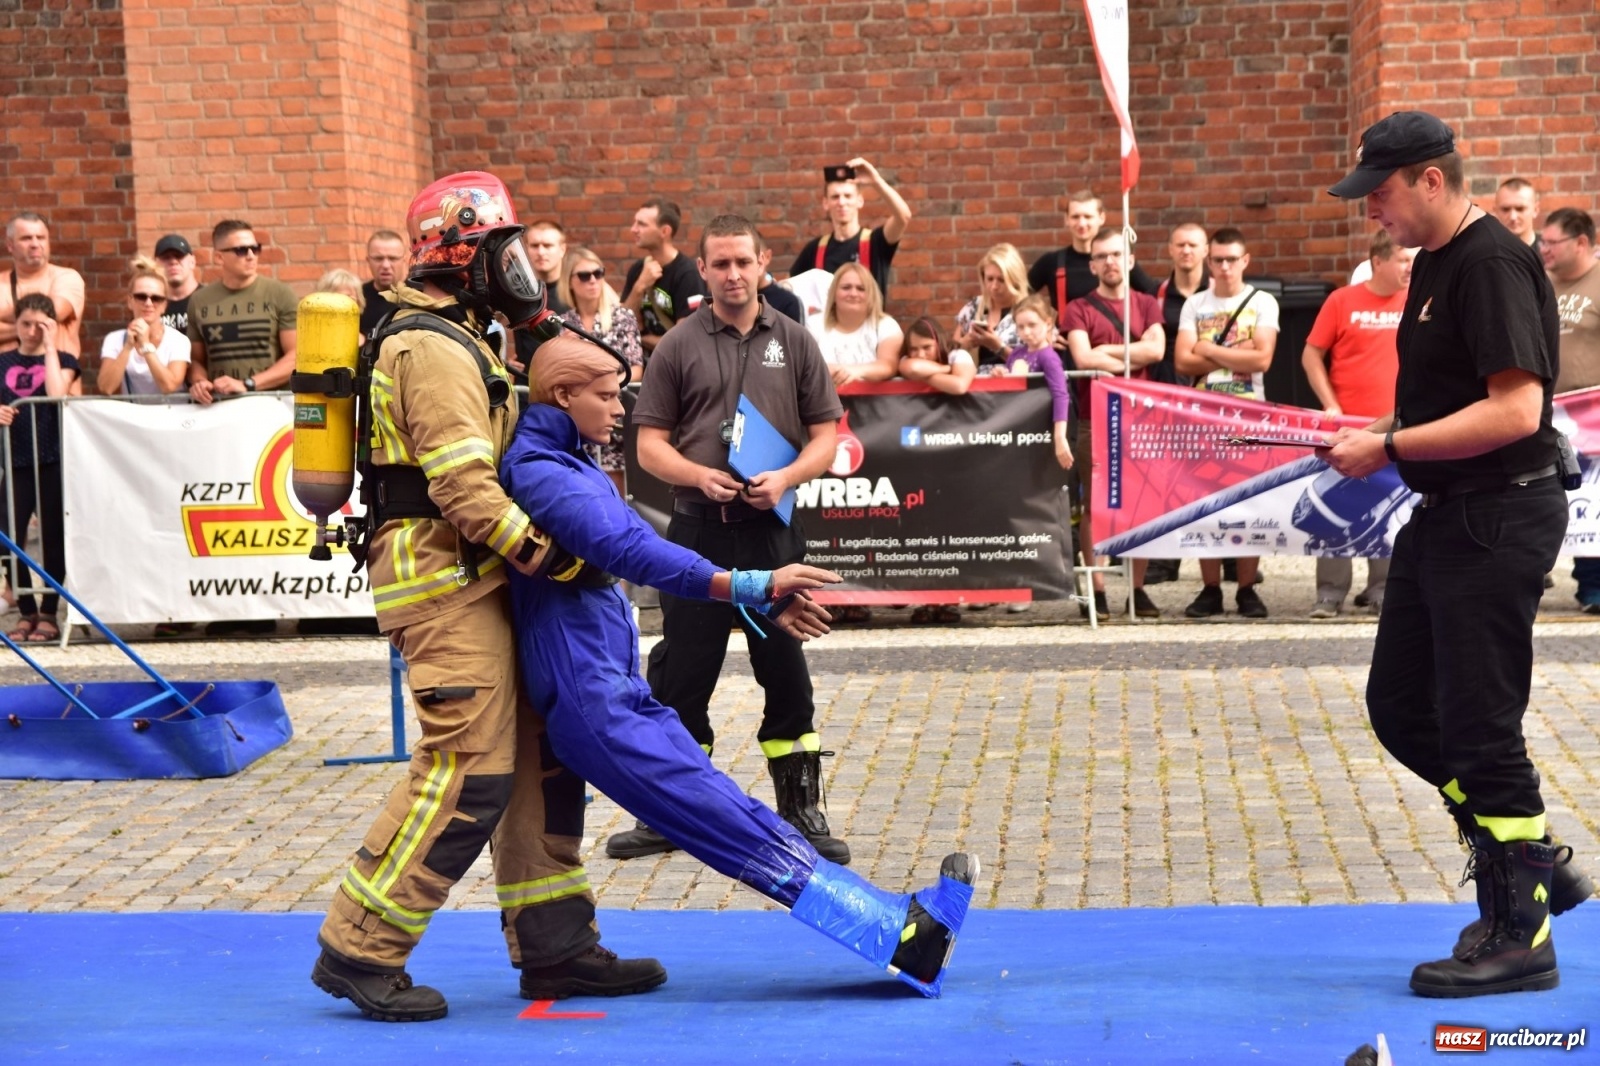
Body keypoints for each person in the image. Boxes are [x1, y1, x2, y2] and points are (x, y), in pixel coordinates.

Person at [502, 332, 977, 997]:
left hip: (604, 688)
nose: (620, 409)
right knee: (724, 818)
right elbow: (631, 550)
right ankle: (899, 937)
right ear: (562, 395)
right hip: (593, 698)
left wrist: (752, 600)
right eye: (607, 396)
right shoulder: (543, 470)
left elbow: (635, 548)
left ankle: (898, 928)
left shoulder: (566, 462)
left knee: (724, 814)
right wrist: (748, 586)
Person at [310, 172, 664, 1024]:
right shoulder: (427, 348)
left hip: (483, 580)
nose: (519, 268)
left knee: (544, 758)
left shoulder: (467, 336)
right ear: (463, 257)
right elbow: (467, 488)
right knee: (468, 768)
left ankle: (557, 946)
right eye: (503, 251)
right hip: (443, 585)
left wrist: (540, 324)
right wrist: (556, 559)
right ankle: (360, 947)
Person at [1323, 110, 1593, 999]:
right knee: (1402, 707)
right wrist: (1388, 431)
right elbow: (1454, 397)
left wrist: (1391, 449)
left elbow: (1518, 412)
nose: (1374, 215)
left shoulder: (1491, 262)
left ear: (1431, 180)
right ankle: (1531, 862)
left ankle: (1522, 929)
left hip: (1500, 515)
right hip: (1449, 512)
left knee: (1480, 726)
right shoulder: (1437, 261)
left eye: (1383, 195)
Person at [623, 213, 850, 865]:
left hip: (771, 532)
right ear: (703, 268)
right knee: (683, 676)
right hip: (696, 533)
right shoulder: (677, 345)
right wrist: (698, 474)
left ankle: (802, 809)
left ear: (763, 263)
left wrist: (785, 479)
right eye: (718, 264)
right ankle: (670, 813)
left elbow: (826, 437)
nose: (731, 275)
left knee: (786, 671)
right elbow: (648, 445)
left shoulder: (797, 342)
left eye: (742, 263)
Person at [1300, 229, 1415, 619]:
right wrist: (1329, 403)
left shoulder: (1418, 301)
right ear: (1378, 261)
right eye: (1402, 259)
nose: (1409, 266)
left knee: (1389, 507)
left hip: (1397, 427)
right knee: (1338, 504)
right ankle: (1330, 593)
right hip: (1347, 427)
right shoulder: (1342, 300)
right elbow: (1311, 355)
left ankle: (1382, 588)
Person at [1060, 228, 1166, 619]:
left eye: (1117, 255)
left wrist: (1105, 350)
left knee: (1142, 504)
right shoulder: (1078, 308)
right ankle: (1097, 588)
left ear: (1130, 260)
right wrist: (1125, 355)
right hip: (1095, 418)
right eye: (1102, 256)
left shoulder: (1146, 304)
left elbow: (1156, 349)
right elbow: (1083, 359)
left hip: (1142, 417)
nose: (1110, 262)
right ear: (1092, 265)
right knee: (1095, 504)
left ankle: (1137, 591)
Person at [1175, 226, 1280, 619]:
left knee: (1250, 500)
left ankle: (1247, 588)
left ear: (1245, 261)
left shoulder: (1263, 301)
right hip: (1203, 412)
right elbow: (1183, 361)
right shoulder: (1194, 304)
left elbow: (1263, 359)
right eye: (1217, 260)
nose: (1223, 267)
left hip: (1249, 410)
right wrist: (1238, 350)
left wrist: (1207, 348)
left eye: (1231, 260)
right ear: (1209, 261)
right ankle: (1210, 588)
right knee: (1206, 499)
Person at [0, 293, 80, 644]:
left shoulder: (64, 358)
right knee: (8, 535)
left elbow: (56, 393)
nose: (32, 331)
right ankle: (26, 611)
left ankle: (49, 612)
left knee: (53, 537)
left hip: (51, 458)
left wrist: (50, 345)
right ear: (15, 324)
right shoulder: (3, 361)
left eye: (40, 324)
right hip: (14, 458)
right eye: (26, 324)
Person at [1541, 207, 1600, 611]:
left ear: (1581, 242)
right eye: (1542, 241)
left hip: (1593, 417)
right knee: (1554, 501)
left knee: (1594, 503)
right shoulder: (1538, 284)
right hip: (1546, 417)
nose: (1543, 249)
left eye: (1551, 242)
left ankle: (1593, 586)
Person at [557, 246, 643, 498]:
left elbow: (636, 368)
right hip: (579, 419)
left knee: (617, 493)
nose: (593, 280)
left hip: (615, 416)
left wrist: (605, 390)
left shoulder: (621, 317)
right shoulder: (564, 323)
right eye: (584, 275)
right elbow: (559, 375)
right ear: (570, 281)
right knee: (588, 493)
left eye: (598, 272)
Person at [186, 219, 298, 405]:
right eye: (241, 250)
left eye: (255, 248)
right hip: (219, 407)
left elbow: (296, 357)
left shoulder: (280, 294)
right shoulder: (199, 300)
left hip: (272, 407)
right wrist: (199, 383)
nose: (251, 255)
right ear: (219, 257)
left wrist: (248, 384)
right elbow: (196, 360)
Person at [1027, 191, 1158, 332]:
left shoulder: (1118, 261)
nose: (1082, 223)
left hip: (1111, 344)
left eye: (1088, 216)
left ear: (1101, 218)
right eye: (1075, 217)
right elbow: (1019, 297)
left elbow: (1154, 293)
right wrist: (1045, 330)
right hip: (1068, 347)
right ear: (1067, 219)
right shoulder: (1052, 262)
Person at [791, 158, 911, 300]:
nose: (841, 202)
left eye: (848, 196)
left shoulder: (876, 243)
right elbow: (789, 291)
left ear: (859, 200)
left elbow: (903, 217)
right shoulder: (814, 250)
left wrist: (875, 181)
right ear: (825, 203)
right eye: (835, 197)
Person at [620, 198, 704, 359]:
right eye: (634, 223)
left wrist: (640, 338)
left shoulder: (688, 274)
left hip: (677, 370)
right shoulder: (638, 270)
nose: (633, 229)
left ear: (665, 231)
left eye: (642, 224)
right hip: (643, 368)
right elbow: (622, 323)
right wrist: (639, 287)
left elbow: (685, 339)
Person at [97, 257, 191, 396]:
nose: (148, 303)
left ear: (164, 305)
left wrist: (146, 345)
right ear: (130, 301)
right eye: (141, 297)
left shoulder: (178, 341)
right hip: (133, 415)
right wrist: (128, 347)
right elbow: (106, 387)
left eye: (156, 298)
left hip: (172, 414)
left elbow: (169, 386)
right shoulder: (115, 339)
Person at [0, 213, 85, 357]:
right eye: (26, 238)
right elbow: (43, 316)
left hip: (57, 374)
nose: (35, 244)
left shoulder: (67, 277)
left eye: (40, 238)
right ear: (10, 245)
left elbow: (53, 311)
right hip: (6, 376)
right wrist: (41, 325)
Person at [807, 262, 902, 387]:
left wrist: (852, 371)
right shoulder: (814, 324)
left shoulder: (886, 325)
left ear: (871, 295)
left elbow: (889, 366)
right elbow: (805, 367)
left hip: (874, 404)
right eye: (846, 287)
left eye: (861, 289)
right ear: (833, 293)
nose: (853, 294)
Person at [952, 243, 1029, 374]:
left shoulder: (1030, 310)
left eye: (1001, 280)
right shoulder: (975, 307)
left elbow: (1038, 362)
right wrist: (965, 344)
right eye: (990, 279)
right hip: (977, 385)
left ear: (1014, 279)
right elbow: (950, 353)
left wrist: (998, 347)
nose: (994, 286)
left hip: (1015, 385)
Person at [897, 315, 975, 397]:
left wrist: (920, 375)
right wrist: (946, 369)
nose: (920, 355)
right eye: (914, 349)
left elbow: (959, 386)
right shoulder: (906, 358)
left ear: (939, 342)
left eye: (926, 347)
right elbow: (913, 368)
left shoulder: (958, 355)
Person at [359, 230, 407, 339]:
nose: (385, 265)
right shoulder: (357, 299)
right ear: (368, 260)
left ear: (404, 260)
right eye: (378, 258)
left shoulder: (418, 297)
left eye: (392, 258)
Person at [153, 233, 200, 338]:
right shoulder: (149, 304)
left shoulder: (209, 299)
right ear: (155, 264)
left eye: (179, 256)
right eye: (166, 258)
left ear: (192, 261)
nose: (173, 262)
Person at [523, 219, 570, 313]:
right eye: (535, 246)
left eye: (547, 246)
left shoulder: (578, 290)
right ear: (526, 248)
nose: (541, 252)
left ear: (562, 249)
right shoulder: (518, 293)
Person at [1493, 177, 1541, 253]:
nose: (1513, 217)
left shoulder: (1550, 254)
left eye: (1520, 209)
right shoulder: (1483, 254)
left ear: (1535, 210)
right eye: (1505, 209)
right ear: (1495, 211)